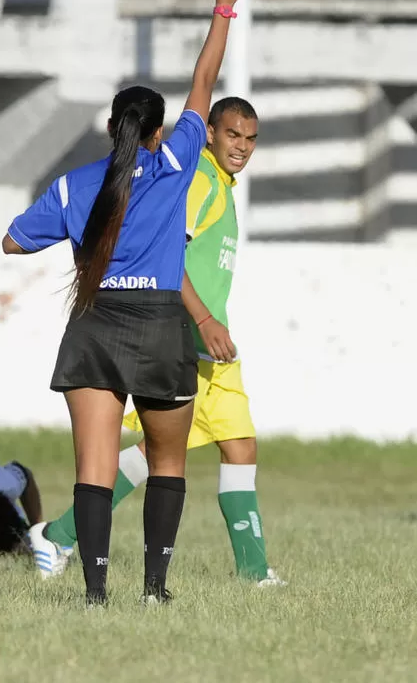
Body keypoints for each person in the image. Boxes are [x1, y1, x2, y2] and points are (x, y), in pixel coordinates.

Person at [2, 0, 253, 607]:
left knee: (94, 471)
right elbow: (205, 80)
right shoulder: (176, 163)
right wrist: (222, 6)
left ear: (112, 128)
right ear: (158, 130)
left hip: (95, 328)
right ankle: (155, 589)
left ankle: (93, 593)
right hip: (161, 325)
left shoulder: (75, 184)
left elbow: (11, 240)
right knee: (167, 463)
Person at [31, 98, 285, 586]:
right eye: (233, 135)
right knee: (172, 453)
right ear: (210, 134)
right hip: (184, 338)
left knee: (234, 446)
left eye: (251, 139)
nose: (242, 147)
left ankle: (253, 571)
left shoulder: (222, 186)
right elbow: (167, 257)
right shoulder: (199, 184)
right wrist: (204, 319)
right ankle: (62, 535)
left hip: (211, 346)